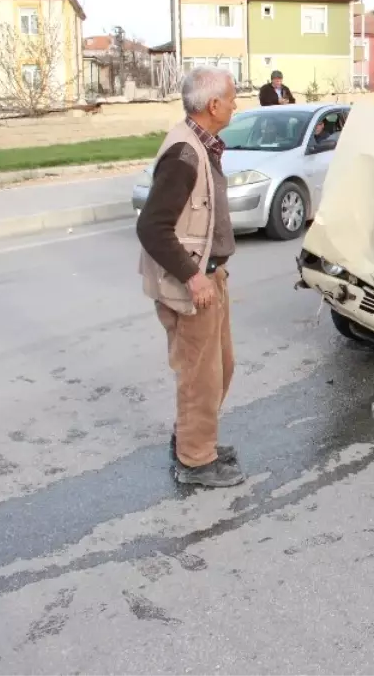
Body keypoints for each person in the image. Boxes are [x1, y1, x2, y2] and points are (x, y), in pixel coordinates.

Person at [137, 66, 245, 488]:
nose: (236, 105)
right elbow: (151, 228)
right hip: (191, 285)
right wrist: (193, 277)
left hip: (210, 279)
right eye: (233, 98)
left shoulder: (202, 144)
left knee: (220, 368)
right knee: (200, 375)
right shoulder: (184, 154)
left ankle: (195, 439)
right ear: (213, 105)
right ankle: (195, 462)